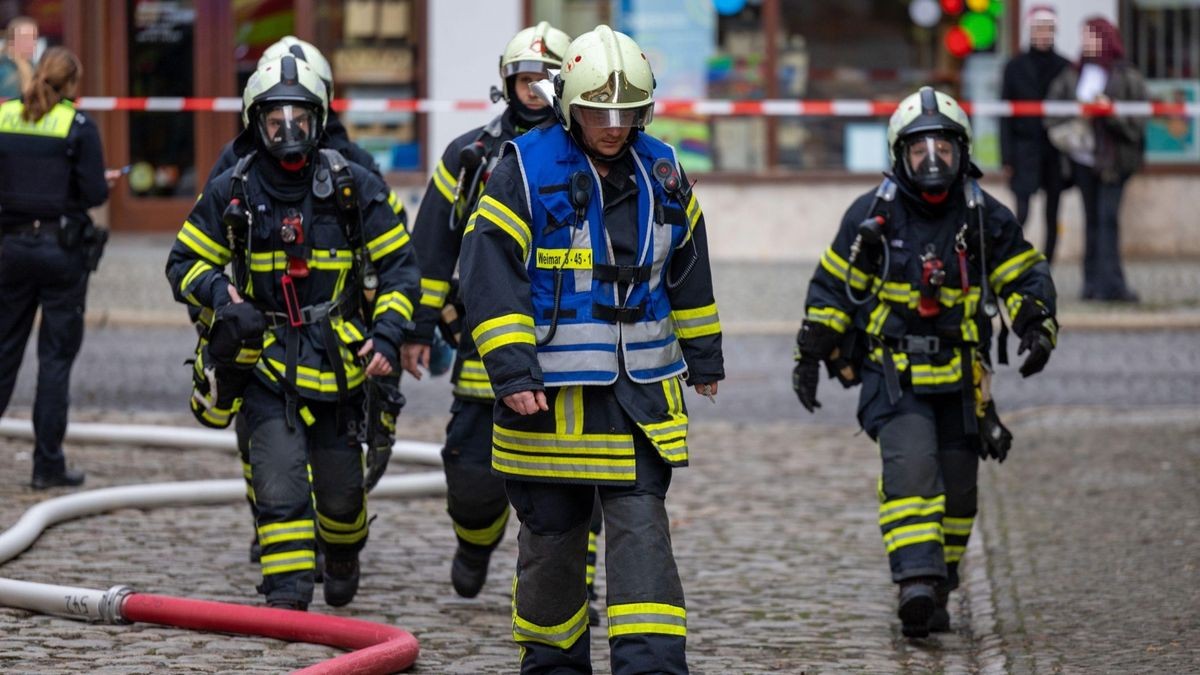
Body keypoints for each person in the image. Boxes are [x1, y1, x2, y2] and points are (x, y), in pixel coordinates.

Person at [459, 25, 723, 673]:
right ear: (569, 104)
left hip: (638, 401)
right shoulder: (523, 167)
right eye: (599, 111)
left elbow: (688, 265)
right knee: (552, 544)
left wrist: (705, 354)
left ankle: (652, 664)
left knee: (642, 534)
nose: (613, 124)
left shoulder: (661, 167)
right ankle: (552, 667)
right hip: (545, 404)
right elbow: (489, 273)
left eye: (626, 111)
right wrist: (511, 368)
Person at [793, 87, 1057, 638]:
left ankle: (942, 581)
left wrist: (1035, 324)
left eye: (943, 148)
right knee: (912, 471)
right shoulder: (872, 217)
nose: (933, 161)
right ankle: (914, 582)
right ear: (899, 156)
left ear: (963, 151)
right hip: (896, 378)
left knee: (960, 494)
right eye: (919, 150)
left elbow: (1022, 275)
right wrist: (811, 354)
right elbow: (833, 289)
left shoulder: (985, 216)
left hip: (962, 380)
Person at [165, 54, 419, 610]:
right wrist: (219, 297)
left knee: (342, 501)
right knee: (278, 489)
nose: (287, 132)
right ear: (255, 123)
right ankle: (286, 600)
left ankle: (345, 552)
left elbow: (401, 266)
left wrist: (389, 333)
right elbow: (184, 263)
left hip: (339, 365)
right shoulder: (233, 188)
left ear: (318, 119)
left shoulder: (353, 185)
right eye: (274, 120)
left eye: (298, 119)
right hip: (265, 361)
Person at [401, 21, 596, 607]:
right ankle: (475, 540)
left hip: (571, 348)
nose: (535, 91)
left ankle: (569, 593)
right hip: (484, 348)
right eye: (523, 80)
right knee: (473, 481)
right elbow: (432, 246)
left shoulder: (595, 156)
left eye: (545, 79)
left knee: (575, 473)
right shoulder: (470, 156)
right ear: (506, 85)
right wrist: (416, 327)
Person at [0, 47, 112, 490]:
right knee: (55, 360)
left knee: (4, 352)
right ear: (71, 84)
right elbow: (93, 194)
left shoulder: (5, 116)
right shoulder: (78, 126)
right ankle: (47, 465)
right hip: (61, 251)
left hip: (10, 249)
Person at [1046, 17, 1145, 302]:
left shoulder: (1126, 75)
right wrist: (1080, 116)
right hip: (1082, 161)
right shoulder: (1073, 74)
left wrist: (1110, 113)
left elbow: (1137, 124)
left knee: (1108, 220)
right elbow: (1053, 111)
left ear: (1107, 38)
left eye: (1093, 36)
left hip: (1114, 161)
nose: (1087, 42)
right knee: (1092, 221)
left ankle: (1113, 284)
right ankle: (1090, 284)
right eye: (1085, 37)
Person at [1000, 5, 1070, 263]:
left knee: (1052, 212)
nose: (1043, 34)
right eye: (1039, 28)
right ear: (1030, 31)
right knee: (1022, 212)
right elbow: (1004, 116)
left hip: (1054, 151)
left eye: (1048, 29)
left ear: (1054, 32)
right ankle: (1013, 259)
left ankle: (1047, 264)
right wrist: (1006, 157)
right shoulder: (1014, 67)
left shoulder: (1065, 66)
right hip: (1023, 150)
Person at [0, 16, 37, 99]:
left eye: (34, 37)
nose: (31, 42)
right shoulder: (4, 70)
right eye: (26, 37)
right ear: (11, 41)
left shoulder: (34, 67)